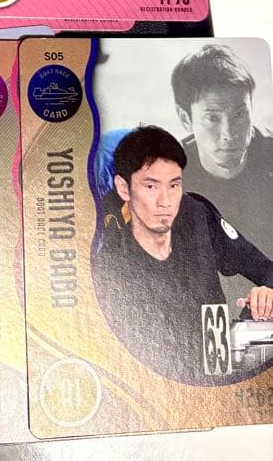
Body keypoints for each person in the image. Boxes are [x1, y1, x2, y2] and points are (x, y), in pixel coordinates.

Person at [93, 125, 273, 383]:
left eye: (173, 185)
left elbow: (263, 268)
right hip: (153, 380)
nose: (165, 202)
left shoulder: (196, 214)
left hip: (219, 359)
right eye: (151, 186)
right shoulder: (109, 258)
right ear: (123, 188)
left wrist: (266, 297)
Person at [172, 45, 273, 258]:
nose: (229, 134)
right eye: (213, 118)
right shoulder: (167, 173)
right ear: (185, 119)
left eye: (239, 115)